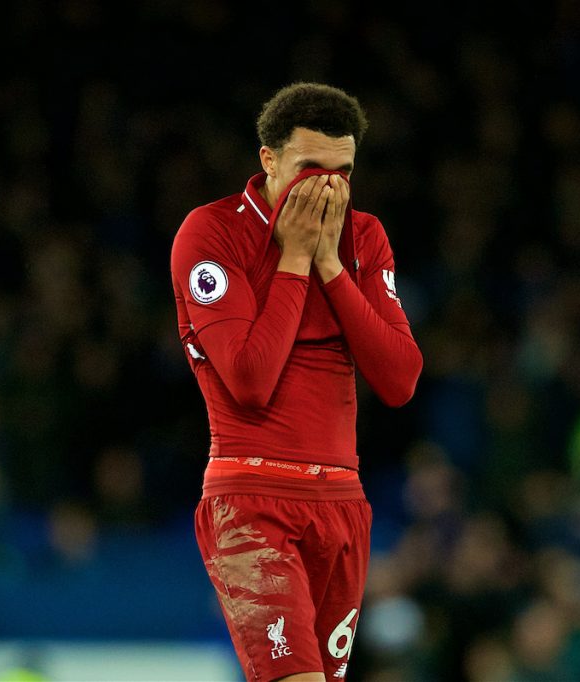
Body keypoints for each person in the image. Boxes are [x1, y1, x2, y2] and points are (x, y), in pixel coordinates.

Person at [170, 82, 423, 682]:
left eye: (344, 172)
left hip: (342, 503)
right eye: (311, 167)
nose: (328, 187)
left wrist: (332, 265)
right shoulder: (212, 234)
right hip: (253, 501)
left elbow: (400, 379)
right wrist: (295, 259)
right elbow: (250, 379)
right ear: (269, 159)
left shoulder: (363, 237)